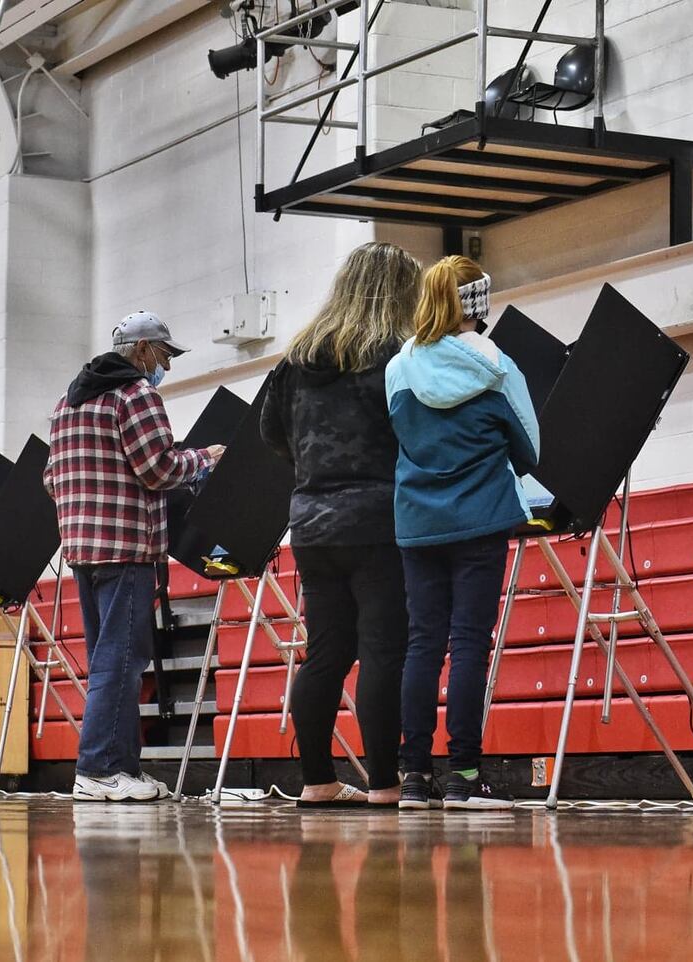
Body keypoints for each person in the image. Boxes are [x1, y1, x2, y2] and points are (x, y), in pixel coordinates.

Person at [260, 242, 421, 808]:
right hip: (380, 520)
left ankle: (317, 782)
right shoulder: (397, 354)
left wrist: (315, 469)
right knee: (382, 651)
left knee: (325, 652)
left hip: (311, 524)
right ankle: (384, 785)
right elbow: (419, 433)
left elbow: (270, 436)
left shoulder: (294, 359)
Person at [45, 311, 225, 802]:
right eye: (164, 355)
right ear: (143, 350)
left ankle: (122, 768)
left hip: (82, 551)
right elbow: (158, 468)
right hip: (127, 549)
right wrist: (205, 458)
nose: (165, 364)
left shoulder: (69, 401)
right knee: (121, 663)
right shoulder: (136, 394)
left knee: (111, 660)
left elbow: (50, 478)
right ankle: (98, 768)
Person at [385, 255, 539, 811]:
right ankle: (465, 777)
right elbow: (530, 450)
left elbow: (400, 437)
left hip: (416, 524)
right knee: (469, 643)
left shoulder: (397, 368)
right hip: (479, 520)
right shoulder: (497, 365)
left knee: (422, 644)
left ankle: (412, 779)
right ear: (476, 300)